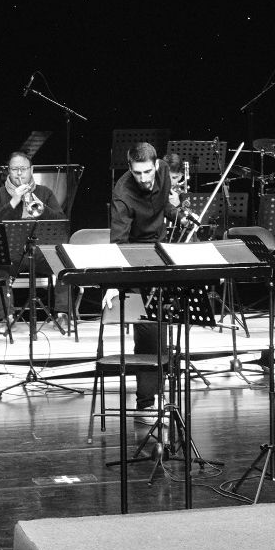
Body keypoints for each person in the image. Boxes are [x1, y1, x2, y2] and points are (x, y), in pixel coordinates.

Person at [102, 143, 183, 413]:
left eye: (147, 171)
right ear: (129, 168)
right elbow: (119, 242)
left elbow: (163, 207)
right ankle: (146, 404)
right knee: (148, 329)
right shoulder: (122, 192)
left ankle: (162, 395)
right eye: (137, 173)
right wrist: (115, 283)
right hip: (134, 258)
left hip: (161, 252)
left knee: (165, 322)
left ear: (156, 165)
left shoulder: (164, 172)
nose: (144, 178)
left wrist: (179, 215)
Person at [0, 151, 71, 328]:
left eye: (23, 169)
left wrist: (43, 208)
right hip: (12, 254)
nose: (19, 173)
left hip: (39, 252)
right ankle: (7, 317)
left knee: (64, 260)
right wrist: (13, 202)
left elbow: (61, 223)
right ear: (8, 171)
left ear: (32, 170)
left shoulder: (44, 192)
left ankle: (62, 314)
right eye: (15, 169)